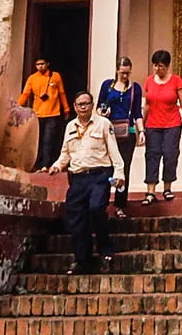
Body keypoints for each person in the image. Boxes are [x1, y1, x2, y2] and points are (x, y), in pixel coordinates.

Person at [47, 90, 124, 274]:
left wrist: (119, 173)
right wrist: (57, 166)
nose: (83, 107)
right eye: (79, 104)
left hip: (99, 175)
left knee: (96, 208)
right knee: (75, 216)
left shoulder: (103, 124)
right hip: (78, 178)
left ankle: (105, 249)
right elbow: (65, 152)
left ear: (92, 105)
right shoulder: (70, 127)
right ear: (74, 107)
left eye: (86, 104)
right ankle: (83, 260)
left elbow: (114, 151)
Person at [141, 49, 182, 204]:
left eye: (161, 66)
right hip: (153, 124)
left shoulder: (176, 80)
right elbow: (147, 105)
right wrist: (141, 126)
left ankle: (167, 187)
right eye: (155, 66)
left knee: (170, 154)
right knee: (152, 154)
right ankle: (150, 191)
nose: (158, 69)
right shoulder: (149, 81)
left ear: (168, 66)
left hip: (172, 123)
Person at [97, 56, 145, 218]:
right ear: (117, 70)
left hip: (127, 131)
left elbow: (137, 112)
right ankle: (102, 200)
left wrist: (141, 131)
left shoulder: (135, 88)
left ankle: (120, 203)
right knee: (106, 168)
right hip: (109, 130)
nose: (125, 76)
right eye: (122, 72)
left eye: (127, 73)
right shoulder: (107, 86)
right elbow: (99, 107)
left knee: (124, 169)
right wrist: (104, 111)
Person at [19, 58, 70, 171]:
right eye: (38, 64)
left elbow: (61, 93)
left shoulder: (55, 76)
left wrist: (66, 108)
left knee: (48, 140)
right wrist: (17, 106)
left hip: (53, 113)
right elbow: (25, 94)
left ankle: (45, 165)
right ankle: (35, 164)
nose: (40, 66)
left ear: (47, 64)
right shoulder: (32, 78)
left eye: (42, 64)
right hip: (37, 114)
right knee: (37, 140)